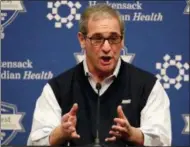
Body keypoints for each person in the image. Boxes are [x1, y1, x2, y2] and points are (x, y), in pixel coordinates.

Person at [27, 4, 172, 146]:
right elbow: (35, 142)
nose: (107, 47)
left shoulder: (147, 86)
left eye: (114, 38)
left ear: (123, 40)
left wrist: (134, 135)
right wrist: (60, 133)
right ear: (82, 40)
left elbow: (163, 140)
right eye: (97, 39)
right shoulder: (57, 88)